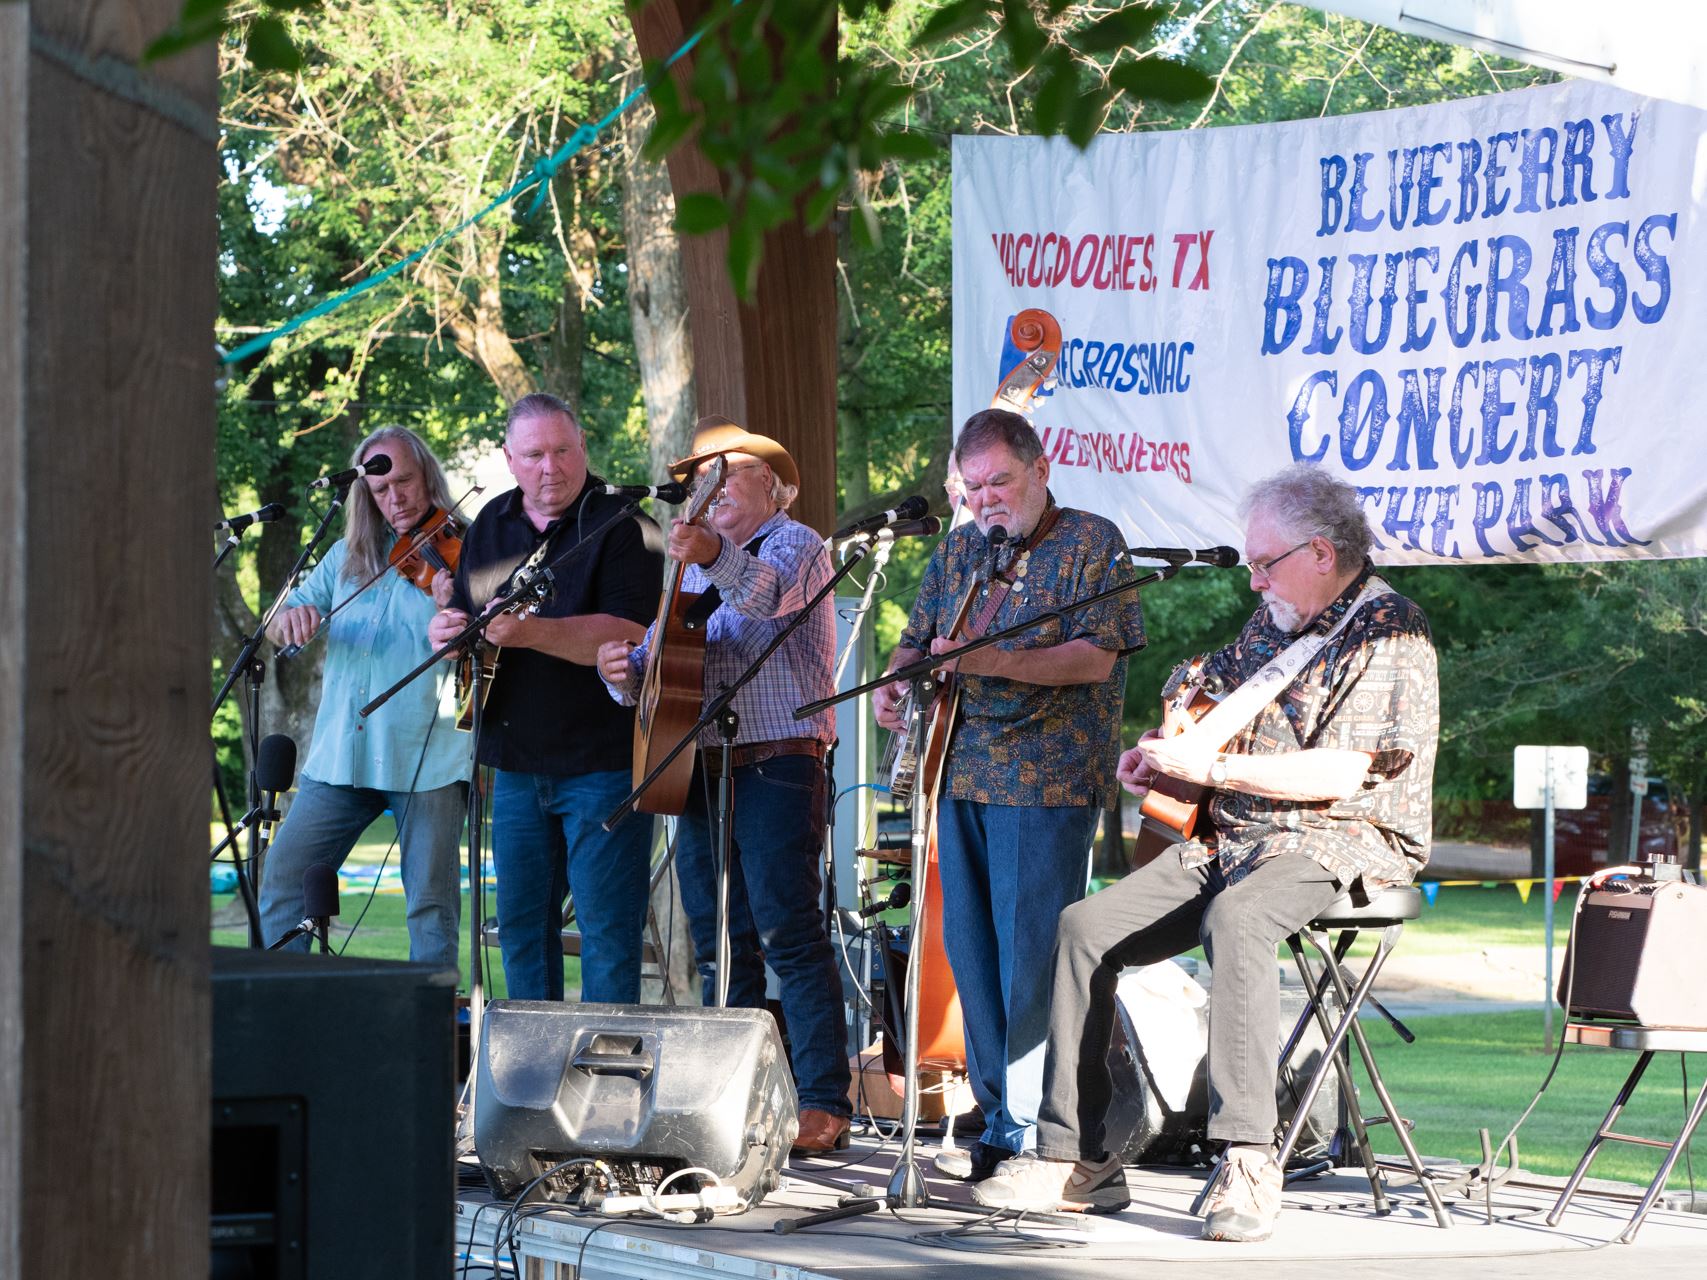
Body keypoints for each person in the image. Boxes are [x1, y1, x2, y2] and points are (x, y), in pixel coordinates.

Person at [973, 464, 1439, 1241]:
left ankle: (1248, 1160)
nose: (1254, 582)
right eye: (1251, 565)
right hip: (1238, 834)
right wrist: (1162, 749)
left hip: (1342, 835)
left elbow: (1339, 774)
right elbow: (1208, 686)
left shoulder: (1391, 631)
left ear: (1320, 552)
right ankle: (1078, 1157)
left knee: (1238, 918)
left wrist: (1212, 770)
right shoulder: (1278, 623)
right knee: (1084, 930)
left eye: (1266, 564)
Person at [873, 409, 1144, 1177]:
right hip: (955, 769)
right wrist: (895, 686)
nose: (986, 498)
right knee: (972, 954)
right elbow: (917, 639)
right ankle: (995, 1117)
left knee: (1031, 956)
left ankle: (1029, 1126)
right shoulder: (959, 549)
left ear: (1040, 468)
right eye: (973, 486)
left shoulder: (1092, 542)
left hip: (1046, 777)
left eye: (1000, 481)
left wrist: (987, 659)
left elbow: (1093, 659)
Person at [596, 418, 853, 1153]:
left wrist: (713, 553)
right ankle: (736, 1089)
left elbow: (765, 600)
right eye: (697, 482)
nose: (704, 491)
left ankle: (825, 1100)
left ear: (771, 486)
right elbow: (654, 667)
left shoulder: (797, 544)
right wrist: (619, 673)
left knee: (787, 931)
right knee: (720, 940)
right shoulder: (686, 572)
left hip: (778, 759)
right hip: (702, 769)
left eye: (723, 474)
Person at [428, 394, 662, 1003]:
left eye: (562, 451)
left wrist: (529, 632)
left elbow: (632, 634)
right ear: (510, 459)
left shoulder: (627, 523)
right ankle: (533, 1084)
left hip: (603, 764)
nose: (550, 467)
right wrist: (448, 630)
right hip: (513, 762)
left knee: (608, 937)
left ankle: (607, 1090)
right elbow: (465, 613)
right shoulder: (490, 524)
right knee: (521, 933)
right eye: (533, 454)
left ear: (584, 447)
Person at [260, 426, 471, 971]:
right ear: (364, 495)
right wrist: (291, 620)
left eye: (405, 481)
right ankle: (282, 1020)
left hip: (428, 760)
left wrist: (459, 606)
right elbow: (283, 618)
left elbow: (487, 644)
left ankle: (429, 1039)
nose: (395, 497)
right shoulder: (343, 556)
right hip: (341, 758)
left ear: (427, 476)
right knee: (284, 879)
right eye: (381, 490)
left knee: (430, 907)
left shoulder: (466, 550)